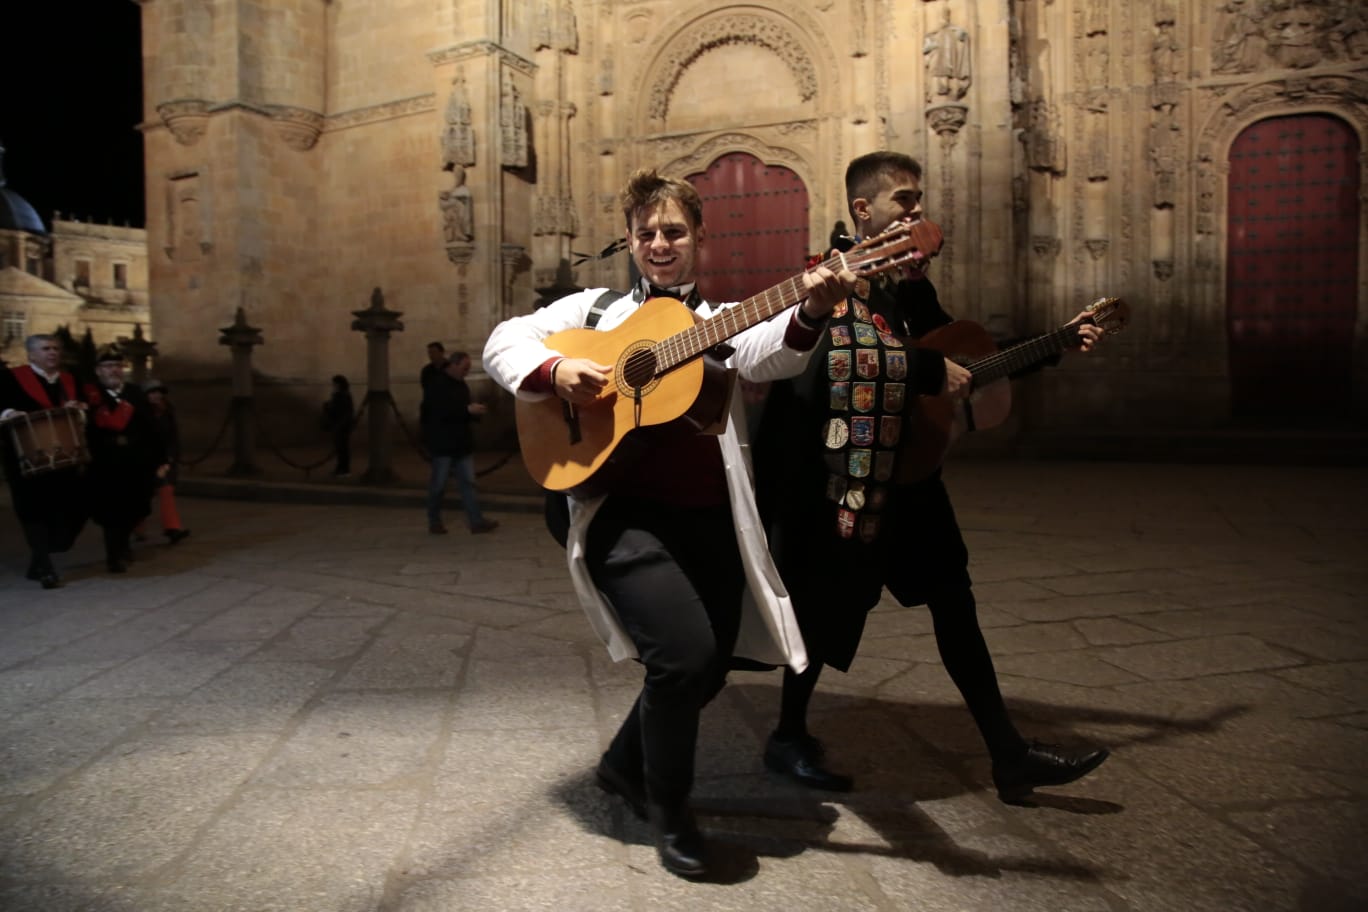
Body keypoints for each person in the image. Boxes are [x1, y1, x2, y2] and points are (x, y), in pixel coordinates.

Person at [482, 168, 856, 878]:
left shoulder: (717, 322)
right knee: (682, 658)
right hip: (619, 516)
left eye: (674, 232)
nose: (659, 243)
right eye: (647, 232)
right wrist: (555, 372)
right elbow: (504, 341)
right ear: (629, 240)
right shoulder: (593, 313)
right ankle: (671, 809)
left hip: (709, 519)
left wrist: (812, 309)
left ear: (699, 240)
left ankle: (624, 764)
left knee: (713, 661)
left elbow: (771, 350)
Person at [753, 151, 1109, 804]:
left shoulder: (910, 287)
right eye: (904, 201)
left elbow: (956, 362)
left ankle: (1008, 754)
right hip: (844, 484)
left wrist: (1052, 344)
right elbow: (845, 361)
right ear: (864, 212)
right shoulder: (831, 278)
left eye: (919, 201)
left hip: (909, 479)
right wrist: (922, 374)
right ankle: (788, 736)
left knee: (955, 603)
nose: (918, 213)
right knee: (820, 612)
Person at [0, 334, 89, 588]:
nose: (52, 353)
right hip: (26, 458)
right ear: (31, 355)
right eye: (46, 349)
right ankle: (44, 566)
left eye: (56, 348)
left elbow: (84, 412)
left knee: (70, 509)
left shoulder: (71, 381)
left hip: (66, 458)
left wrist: (79, 408)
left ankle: (40, 559)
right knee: (33, 509)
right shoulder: (10, 378)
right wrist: (8, 413)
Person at [83, 346, 168, 574]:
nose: (114, 370)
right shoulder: (89, 396)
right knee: (111, 511)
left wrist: (161, 458)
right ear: (98, 371)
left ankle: (122, 544)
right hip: (105, 464)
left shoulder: (135, 393)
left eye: (118, 366)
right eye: (108, 366)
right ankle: (115, 555)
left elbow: (152, 428)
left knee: (137, 507)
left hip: (136, 464)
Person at [420, 352, 497, 535]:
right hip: (443, 444)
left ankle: (476, 521)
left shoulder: (460, 384)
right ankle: (434, 521)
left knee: (468, 484)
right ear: (453, 365)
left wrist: (473, 412)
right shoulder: (436, 384)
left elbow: (461, 409)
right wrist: (466, 410)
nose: (466, 372)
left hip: (461, 443)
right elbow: (437, 412)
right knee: (438, 485)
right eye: (465, 368)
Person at [138, 379, 191, 544]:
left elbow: (172, 437)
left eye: (159, 392)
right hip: (145, 460)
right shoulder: (141, 413)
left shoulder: (167, 412)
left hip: (164, 460)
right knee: (142, 495)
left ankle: (172, 528)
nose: (157, 396)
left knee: (166, 490)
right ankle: (137, 528)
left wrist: (171, 458)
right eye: (152, 392)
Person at [322, 374, 355, 478]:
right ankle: (341, 468)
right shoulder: (344, 395)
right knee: (341, 448)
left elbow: (338, 410)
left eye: (335, 383)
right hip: (341, 425)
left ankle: (343, 469)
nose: (333, 385)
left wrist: (327, 406)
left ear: (339, 384)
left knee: (342, 449)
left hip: (340, 426)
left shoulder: (340, 395)